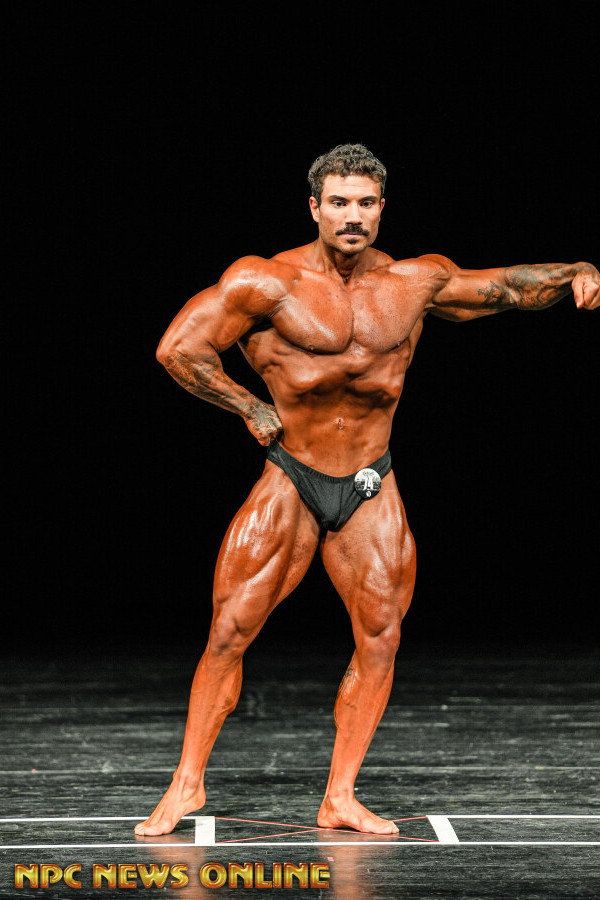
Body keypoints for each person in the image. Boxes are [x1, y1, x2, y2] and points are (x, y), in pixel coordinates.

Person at [135, 143, 599, 837]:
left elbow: (505, 287)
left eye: (365, 203)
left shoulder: (414, 281)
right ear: (315, 208)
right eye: (339, 203)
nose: (352, 216)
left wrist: (578, 271)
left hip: (370, 481)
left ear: (382, 208)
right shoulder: (266, 281)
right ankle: (186, 784)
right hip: (292, 475)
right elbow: (178, 348)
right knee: (229, 631)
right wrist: (248, 406)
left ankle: (341, 796)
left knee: (381, 639)